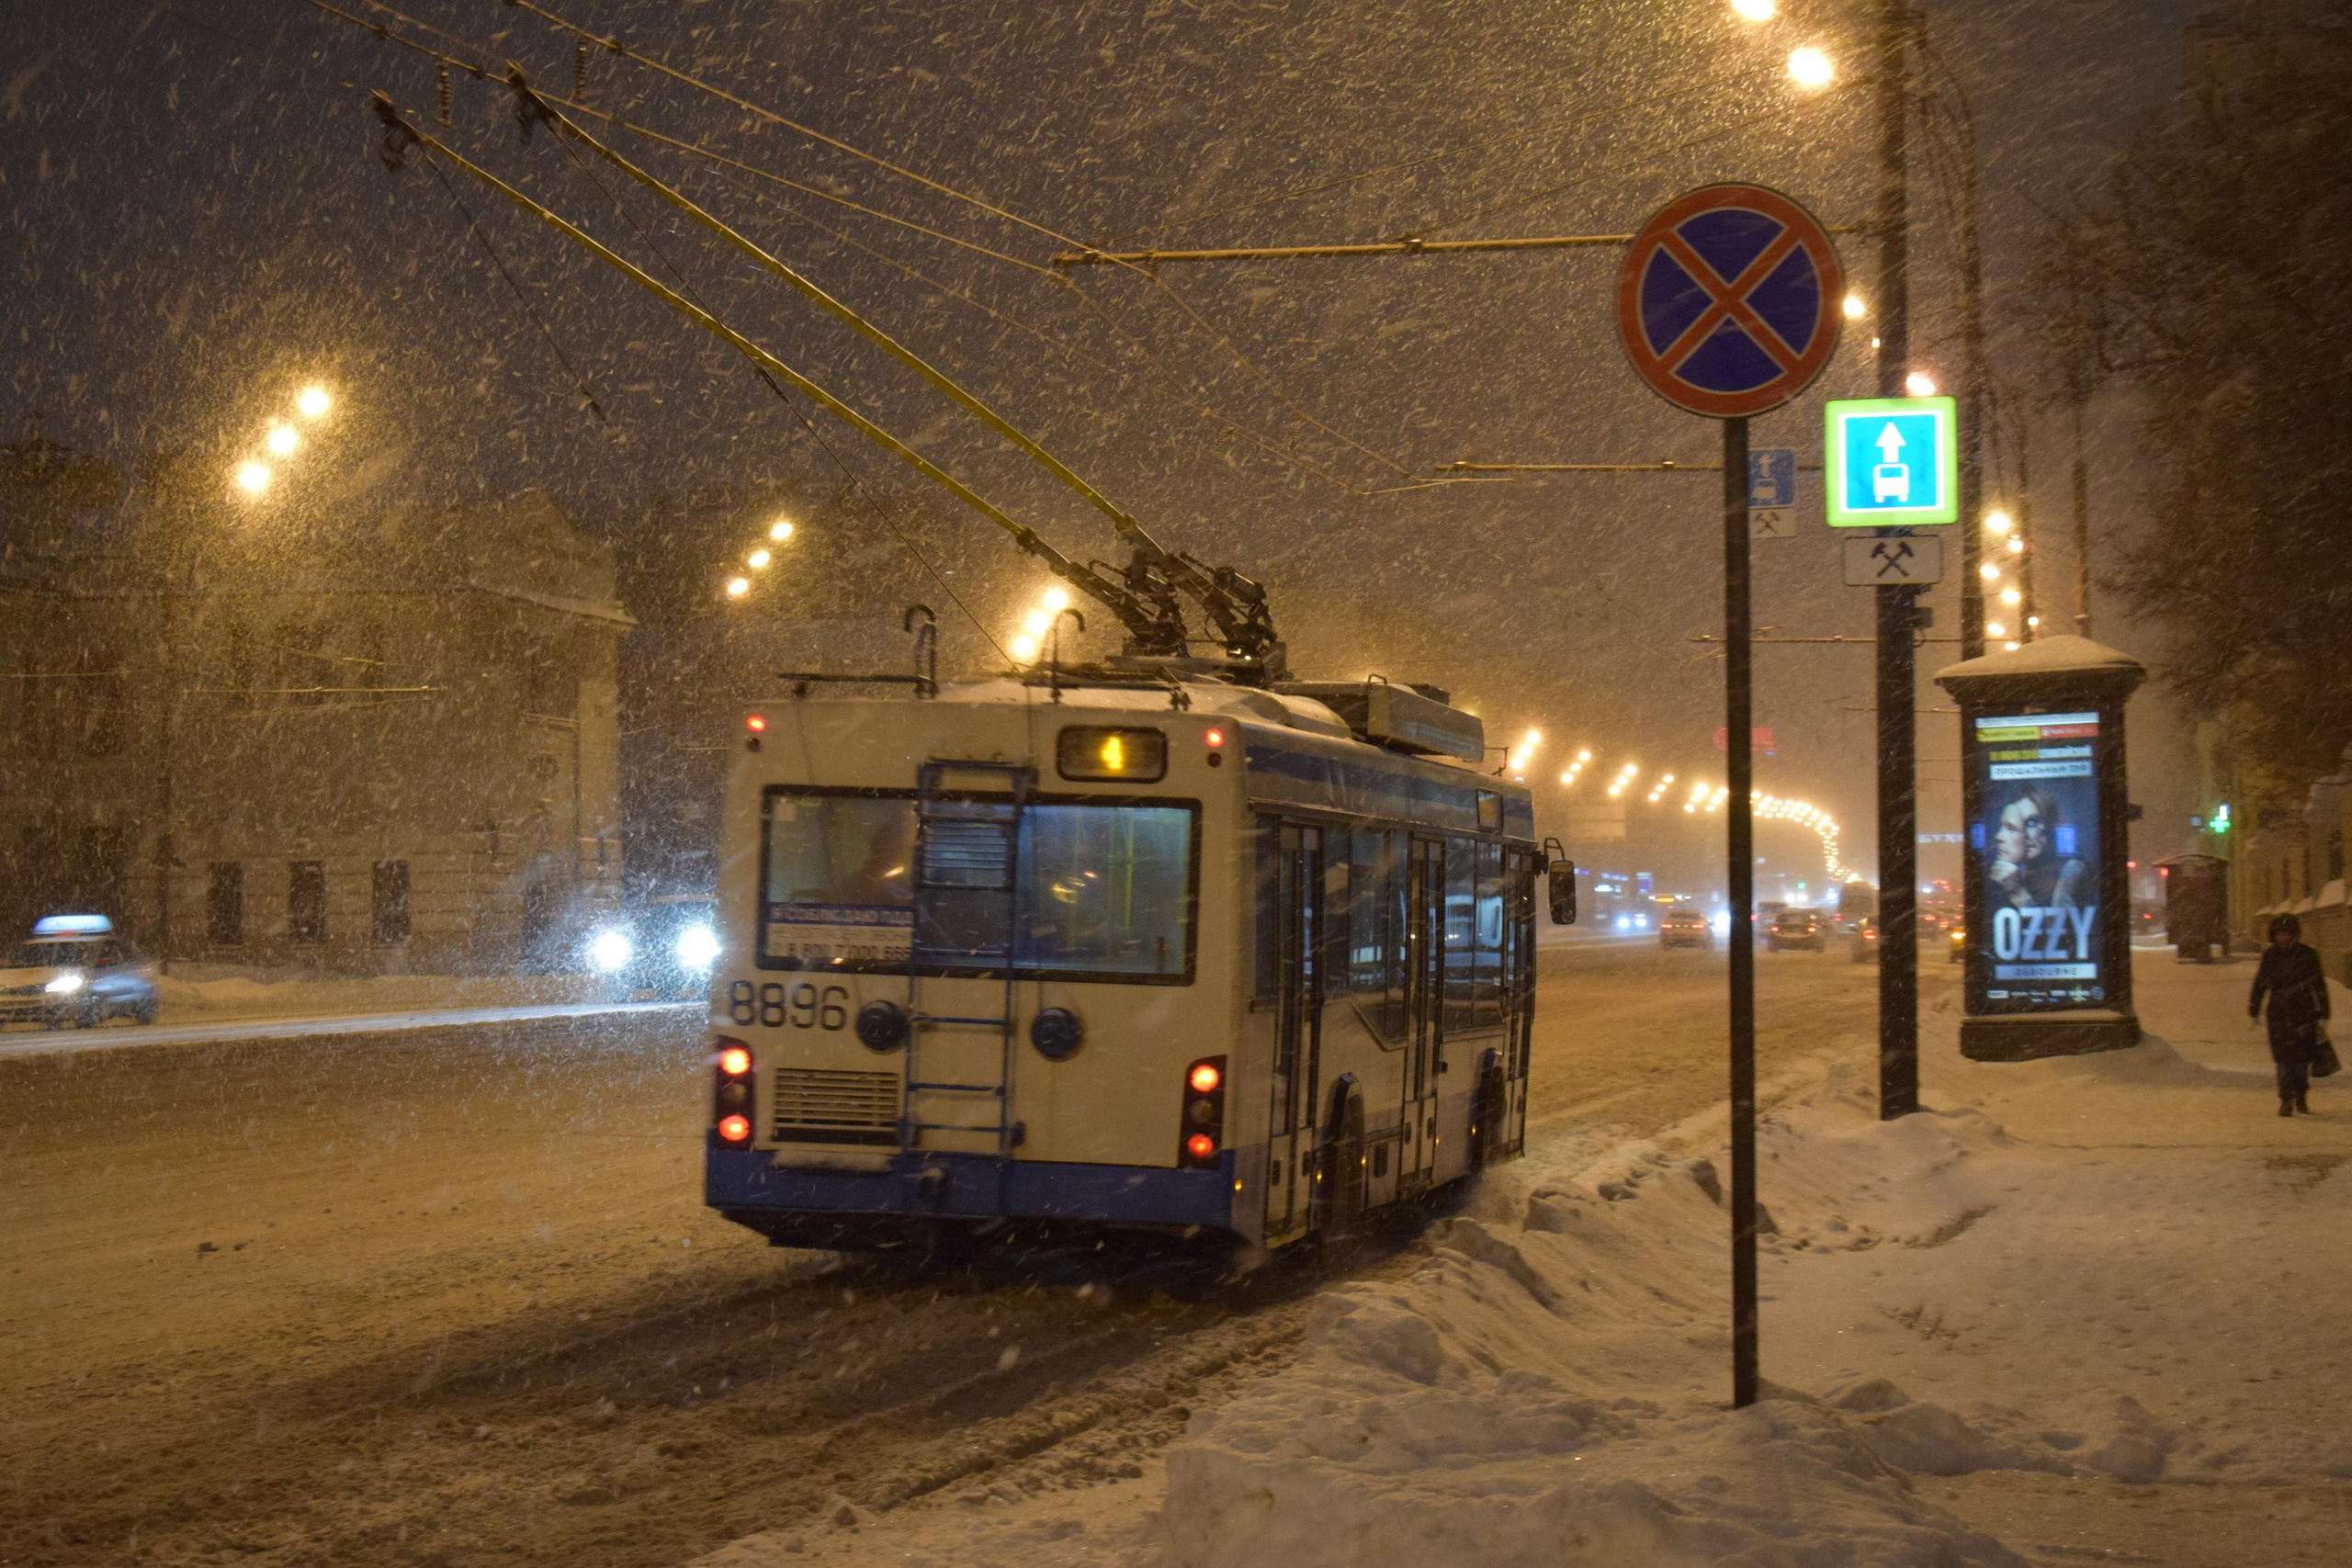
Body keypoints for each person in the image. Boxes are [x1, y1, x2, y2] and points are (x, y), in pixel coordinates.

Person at [2248, 912, 2329, 1117]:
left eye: (2287, 934)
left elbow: (2318, 985)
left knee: (2301, 1059)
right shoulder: (2271, 956)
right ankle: (2286, 1099)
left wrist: (2324, 1012)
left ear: (2295, 935)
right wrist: (2254, 1006)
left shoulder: (2308, 955)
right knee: (2283, 1058)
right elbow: (2261, 982)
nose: (2282, 938)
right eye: (2279, 934)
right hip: (2278, 1013)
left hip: (2304, 1012)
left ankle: (2301, 1094)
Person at [1986, 783, 2092, 911]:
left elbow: (2060, 929)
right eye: (2017, 825)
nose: (2023, 834)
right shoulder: (2017, 873)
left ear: (2051, 826)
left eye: (2031, 823)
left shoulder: (2073, 870)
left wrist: (2018, 894)